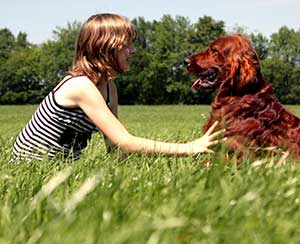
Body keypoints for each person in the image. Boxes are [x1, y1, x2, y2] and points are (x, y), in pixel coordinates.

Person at [12, 13, 222, 161]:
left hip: (60, 172)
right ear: (105, 48)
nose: (133, 51)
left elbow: (115, 149)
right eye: (127, 44)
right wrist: (189, 148)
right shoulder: (80, 86)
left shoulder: (109, 89)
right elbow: (125, 142)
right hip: (32, 167)